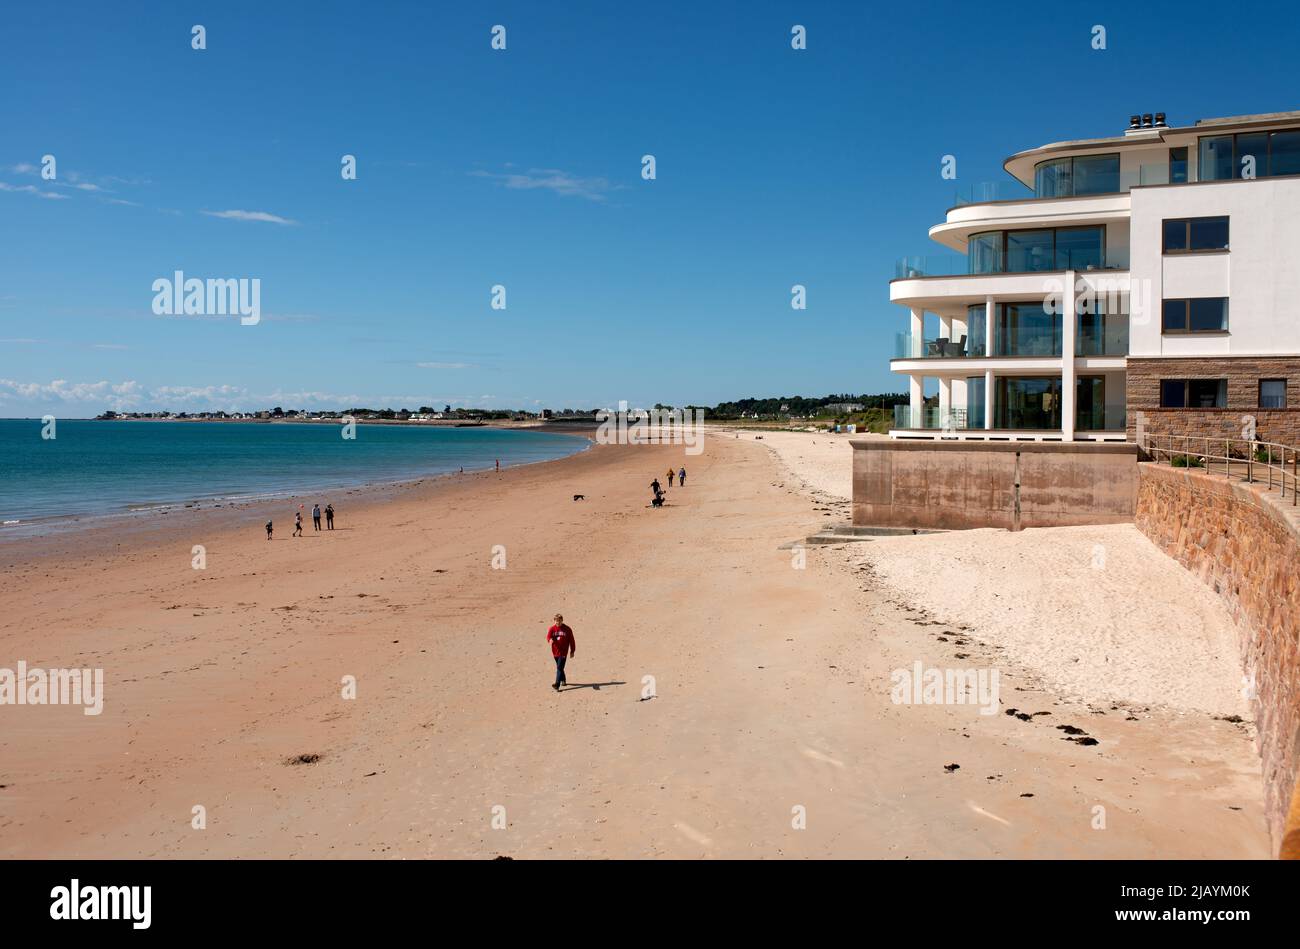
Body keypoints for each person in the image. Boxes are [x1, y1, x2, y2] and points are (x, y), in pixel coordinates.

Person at [547, 614, 576, 691]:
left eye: (559, 621)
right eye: (556, 621)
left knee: (559, 668)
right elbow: (548, 636)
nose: (558, 623)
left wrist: (572, 651)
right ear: (554, 621)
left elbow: (572, 641)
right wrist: (550, 640)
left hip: (563, 652)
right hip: (555, 652)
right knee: (560, 667)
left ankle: (557, 684)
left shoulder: (567, 629)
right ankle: (563, 680)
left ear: (562, 620)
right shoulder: (552, 629)